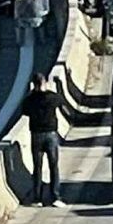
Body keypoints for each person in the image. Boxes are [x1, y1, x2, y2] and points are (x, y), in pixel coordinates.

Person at [23, 76, 66, 207]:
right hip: (51, 135)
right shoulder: (52, 97)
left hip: (36, 135)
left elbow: (25, 111)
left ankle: (37, 198)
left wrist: (31, 93)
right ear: (45, 83)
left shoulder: (30, 99)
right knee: (54, 166)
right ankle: (55, 196)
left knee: (37, 167)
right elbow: (61, 100)